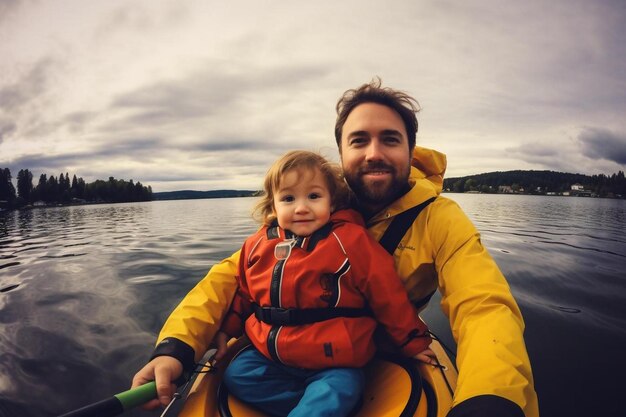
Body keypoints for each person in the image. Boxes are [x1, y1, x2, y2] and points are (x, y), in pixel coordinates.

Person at [132, 78, 539, 417]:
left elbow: (484, 306)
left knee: (337, 389)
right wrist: (177, 348)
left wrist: (492, 397)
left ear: (409, 151)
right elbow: (228, 281)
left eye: (390, 140)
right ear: (342, 154)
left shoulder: (441, 218)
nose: (374, 153)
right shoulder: (302, 216)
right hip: (285, 351)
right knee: (240, 375)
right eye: (359, 141)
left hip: (359, 354)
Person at [211, 150, 431, 417]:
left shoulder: (351, 241)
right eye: (288, 198)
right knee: (238, 374)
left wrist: (413, 343)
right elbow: (246, 294)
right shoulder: (256, 245)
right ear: (273, 206)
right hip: (272, 356)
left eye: (314, 196)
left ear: (332, 202)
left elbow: (388, 296)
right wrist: (228, 328)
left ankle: (320, 405)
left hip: (335, 362)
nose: (301, 207)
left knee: (341, 387)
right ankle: (311, 406)